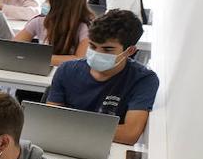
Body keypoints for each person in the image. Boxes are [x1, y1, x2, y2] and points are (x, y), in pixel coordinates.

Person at [46, 9, 158, 145]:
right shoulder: (66, 69)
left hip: (107, 148)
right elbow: (51, 120)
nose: (96, 53)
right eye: (92, 46)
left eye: (107, 49)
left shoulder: (143, 79)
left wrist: (70, 124)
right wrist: (98, 129)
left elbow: (129, 134)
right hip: (66, 142)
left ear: (130, 51)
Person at [12, 0, 92, 65]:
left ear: (60, 3)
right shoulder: (39, 21)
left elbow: (79, 59)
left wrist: (36, 57)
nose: (46, 2)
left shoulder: (85, 28)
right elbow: (12, 48)